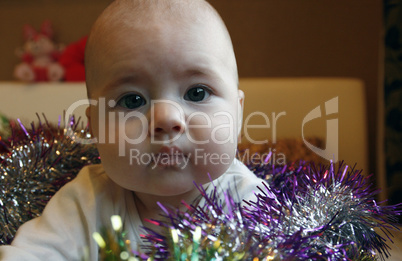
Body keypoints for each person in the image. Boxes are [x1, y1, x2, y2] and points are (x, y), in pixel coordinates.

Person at [0, 0, 265, 260]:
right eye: (132, 100)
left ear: (238, 113)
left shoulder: (249, 201)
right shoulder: (86, 202)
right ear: (95, 128)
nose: (166, 119)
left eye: (196, 93)